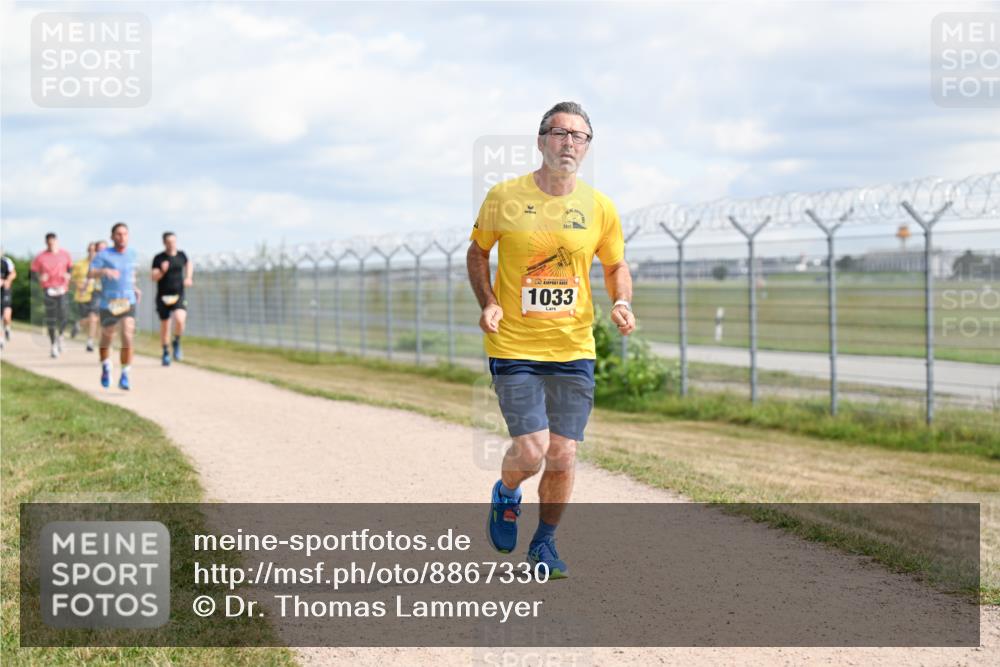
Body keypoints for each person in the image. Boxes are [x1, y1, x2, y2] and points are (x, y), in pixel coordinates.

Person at [467, 102, 636, 579]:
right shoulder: (505, 197)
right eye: (559, 133)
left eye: (580, 136)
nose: (569, 143)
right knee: (533, 449)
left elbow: (615, 265)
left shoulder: (599, 207)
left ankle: (544, 544)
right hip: (515, 345)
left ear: (587, 148)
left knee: (564, 452)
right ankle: (507, 493)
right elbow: (478, 253)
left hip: (573, 347)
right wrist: (488, 302)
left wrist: (621, 301)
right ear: (541, 141)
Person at [90, 222, 141, 390]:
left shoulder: (132, 254)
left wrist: (134, 288)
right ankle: (106, 365)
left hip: (127, 301)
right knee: (107, 337)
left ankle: (125, 373)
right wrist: (103, 271)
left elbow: (130, 275)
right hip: (109, 302)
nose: (122, 237)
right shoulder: (103, 255)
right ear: (112, 237)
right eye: (118, 234)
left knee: (127, 334)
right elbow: (90, 272)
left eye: (125, 234)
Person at [150, 231, 193, 365]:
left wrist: (188, 277)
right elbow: (153, 276)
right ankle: (165, 352)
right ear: (164, 243)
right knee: (165, 325)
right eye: (168, 242)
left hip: (178, 295)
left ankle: (177, 341)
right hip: (163, 296)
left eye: (173, 242)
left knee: (180, 319)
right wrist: (162, 271)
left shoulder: (181, 255)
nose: (171, 244)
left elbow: (189, 264)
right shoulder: (159, 258)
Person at [30, 233, 73, 358]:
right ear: (46, 243)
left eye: (53, 242)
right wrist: (39, 277)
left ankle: (61, 336)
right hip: (48, 289)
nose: (51, 244)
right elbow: (32, 273)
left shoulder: (65, 254)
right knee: (51, 318)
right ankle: (53, 345)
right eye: (49, 243)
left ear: (56, 241)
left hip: (62, 288)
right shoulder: (40, 257)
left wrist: (68, 275)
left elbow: (70, 268)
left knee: (64, 315)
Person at [70, 242, 101, 352]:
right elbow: (72, 278)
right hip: (82, 296)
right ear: (88, 251)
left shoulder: (100, 264)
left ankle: (90, 341)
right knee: (91, 319)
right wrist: (79, 286)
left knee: (94, 318)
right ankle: (79, 325)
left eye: (95, 250)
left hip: (96, 294)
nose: (93, 252)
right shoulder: (79, 264)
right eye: (91, 250)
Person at [1, 251, 16, 348]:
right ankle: (1, 341)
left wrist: (6, 281)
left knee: (6, 316)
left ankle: (7, 328)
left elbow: (13, 274)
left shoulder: (6, 261)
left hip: (4, 292)